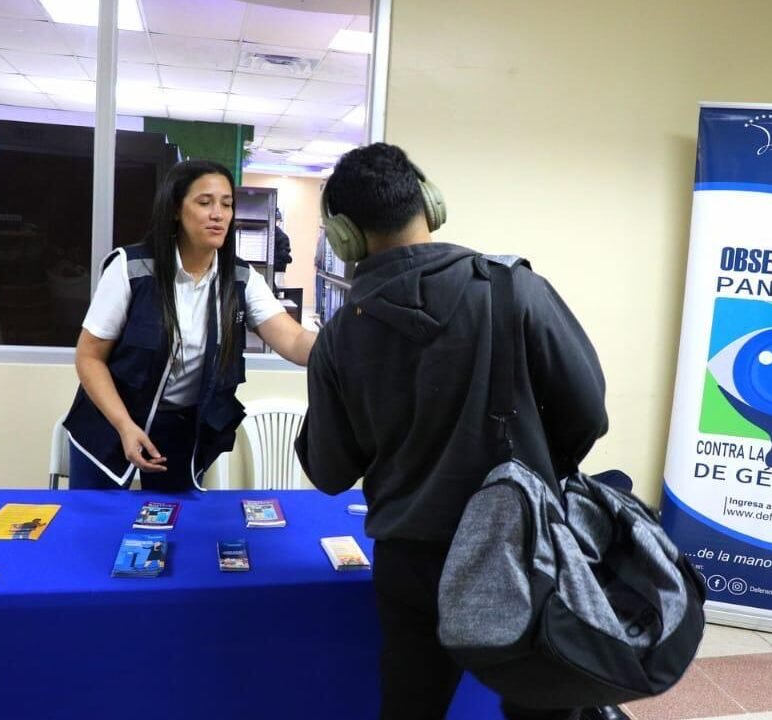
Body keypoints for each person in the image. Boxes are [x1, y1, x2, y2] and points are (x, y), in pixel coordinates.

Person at [295, 143, 613, 720]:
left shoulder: (340, 337)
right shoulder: (512, 288)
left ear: (343, 237)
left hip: (410, 561)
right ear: (430, 204)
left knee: (412, 706)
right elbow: (589, 413)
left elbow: (332, 471)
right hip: (521, 550)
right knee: (543, 706)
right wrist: (534, 468)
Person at [63, 159, 316, 491]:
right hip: (110, 423)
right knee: (97, 529)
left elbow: (295, 341)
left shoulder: (238, 279)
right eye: (204, 202)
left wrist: (348, 344)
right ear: (175, 210)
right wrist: (125, 426)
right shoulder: (132, 268)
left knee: (173, 530)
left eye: (227, 204)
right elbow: (89, 357)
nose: (218, 214)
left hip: (179, 432)